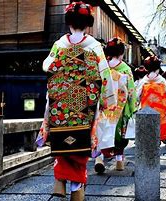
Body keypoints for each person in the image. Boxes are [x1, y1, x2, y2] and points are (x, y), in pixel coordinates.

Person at [37, 2, 117, 200]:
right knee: (80, 145)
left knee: (62, 143)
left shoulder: (59, 44)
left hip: (61, 104)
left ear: (68, 22)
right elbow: (105, 76)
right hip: (84, 104)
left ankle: (60, 182)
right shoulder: (94, 46)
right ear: (88, 23)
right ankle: (77, 189)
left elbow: (47, 67)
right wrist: (108, 100)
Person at [94, 37, 137, 173]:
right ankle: (119, 161)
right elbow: (131, 91)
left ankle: (99, 158)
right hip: (120, 108)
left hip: (104, 105)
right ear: (121, 53)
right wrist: (133, 107)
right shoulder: (125, 69)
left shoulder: (102, 66)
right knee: (119, 135)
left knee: (101, 131)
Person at [137, 56, 166, 143]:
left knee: (148, 131)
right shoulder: (161, 80)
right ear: (158, 68)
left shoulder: (144, 81)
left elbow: (137, 95)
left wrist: (136, 107)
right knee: (159, 129)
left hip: (146, 109)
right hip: (160, 110)